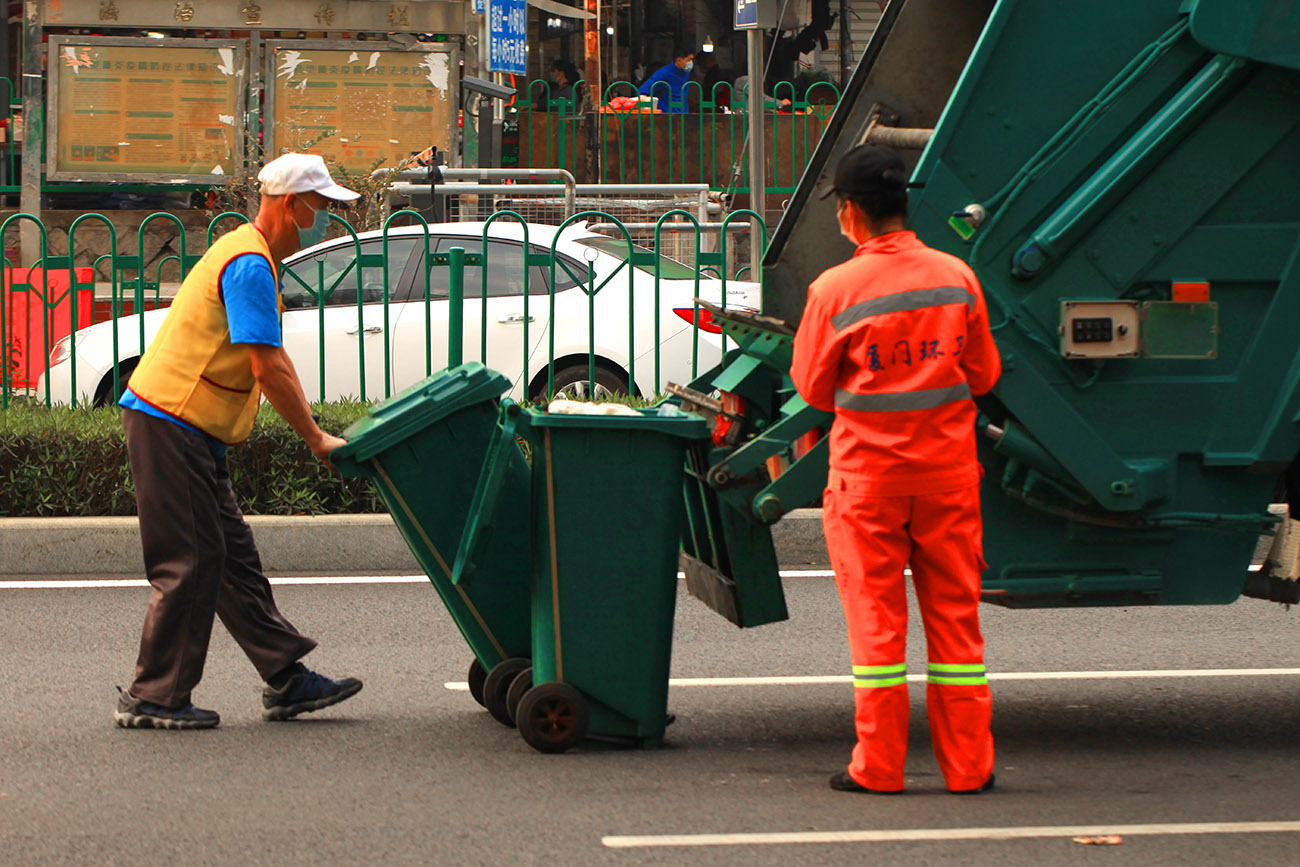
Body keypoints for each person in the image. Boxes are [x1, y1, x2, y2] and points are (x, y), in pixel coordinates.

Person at [114, 153, 364, 730]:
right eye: (319, 207)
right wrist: (315, 438)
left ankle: (286, 678)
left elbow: (273, 361)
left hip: (192, 428)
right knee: (192, 562)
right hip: (169, 421)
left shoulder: (252, 255)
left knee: (233, 559)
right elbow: (267, 367)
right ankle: (155, 695)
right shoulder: (250, 265)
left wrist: (315, 427)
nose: (323, 219)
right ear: (286, 205)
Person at [790, 144, 1001, 794]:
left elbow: (812, 389)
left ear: (850, 213)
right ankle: (968, 768)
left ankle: (878, 767)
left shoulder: (834, 289)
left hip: (869, 483)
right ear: (904, 204)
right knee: (956, 624)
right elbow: (984, 374)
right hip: (947, 477)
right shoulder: (955, 276)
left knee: (878, 627)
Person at [637, 46, 695, 114]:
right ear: (679, 60)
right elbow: (642, 92)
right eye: (689, 60)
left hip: (683, 115)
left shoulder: (686, 73)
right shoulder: (662, 74)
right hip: (666, 116)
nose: (691, 63)